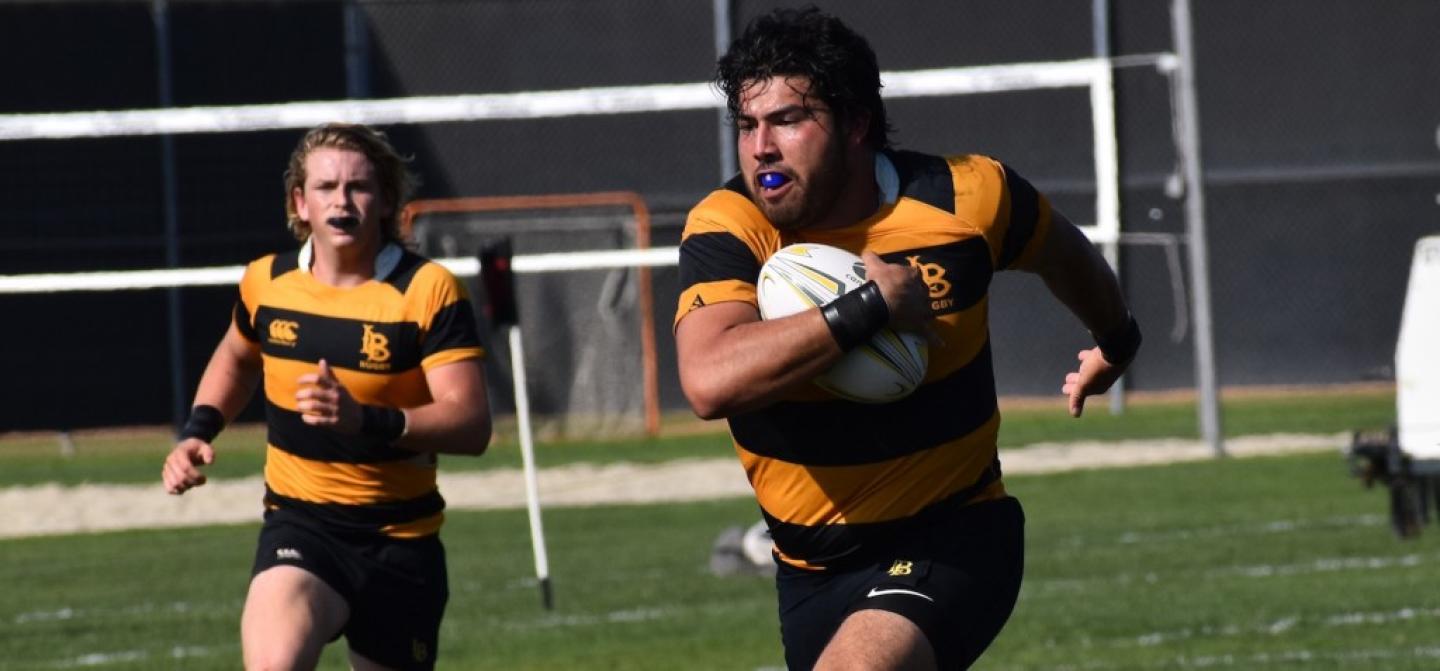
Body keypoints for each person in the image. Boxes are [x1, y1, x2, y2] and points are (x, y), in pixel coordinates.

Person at [674, 7, 1142, 670]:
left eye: (787, 120)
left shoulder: (967, 198)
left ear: (856, 123)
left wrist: (1117, 339)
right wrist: (873, 306)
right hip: (810, 574)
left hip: (954, 533)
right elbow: (709, 379)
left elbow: (1064, 254)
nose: (760, 149)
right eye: (747, 125)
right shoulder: (730, 226)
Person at [160, 122, 492, 671]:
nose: (343, 200)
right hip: (301, 528)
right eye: (326, 187)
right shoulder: (267, 282)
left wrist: (367, 420)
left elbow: (471, 424)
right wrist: (198, 431)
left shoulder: (428, 291)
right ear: (300, 201)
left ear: (385, 200)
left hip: (400, 543)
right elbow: (238, 357)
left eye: (359, 187)